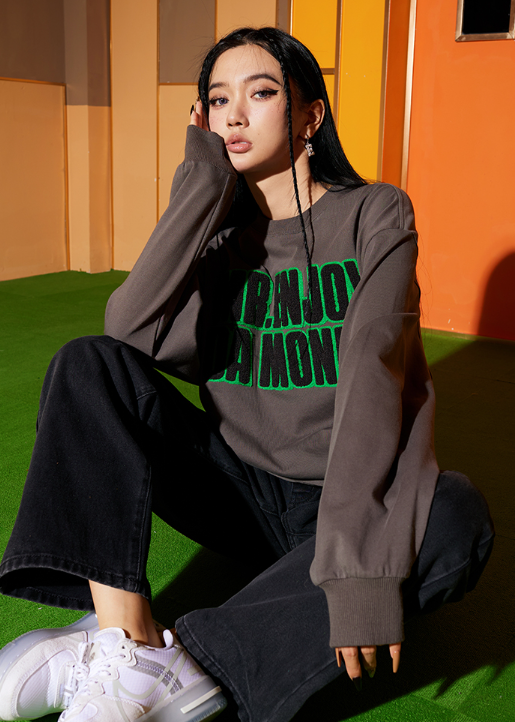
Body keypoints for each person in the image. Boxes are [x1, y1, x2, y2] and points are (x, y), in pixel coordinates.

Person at [0, 26, 494, 722]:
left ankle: (189, 662)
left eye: (260, 93)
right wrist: (202, 180)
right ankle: (125, 642)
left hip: (340, 500)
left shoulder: (374, 212)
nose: (233, 114)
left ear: (310, 116)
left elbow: (374, 376)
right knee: (88, 363)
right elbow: (128, 329)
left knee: (455, 513)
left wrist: (356, 567)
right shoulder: (219, 239)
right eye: (217, 100)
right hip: (241, 494)